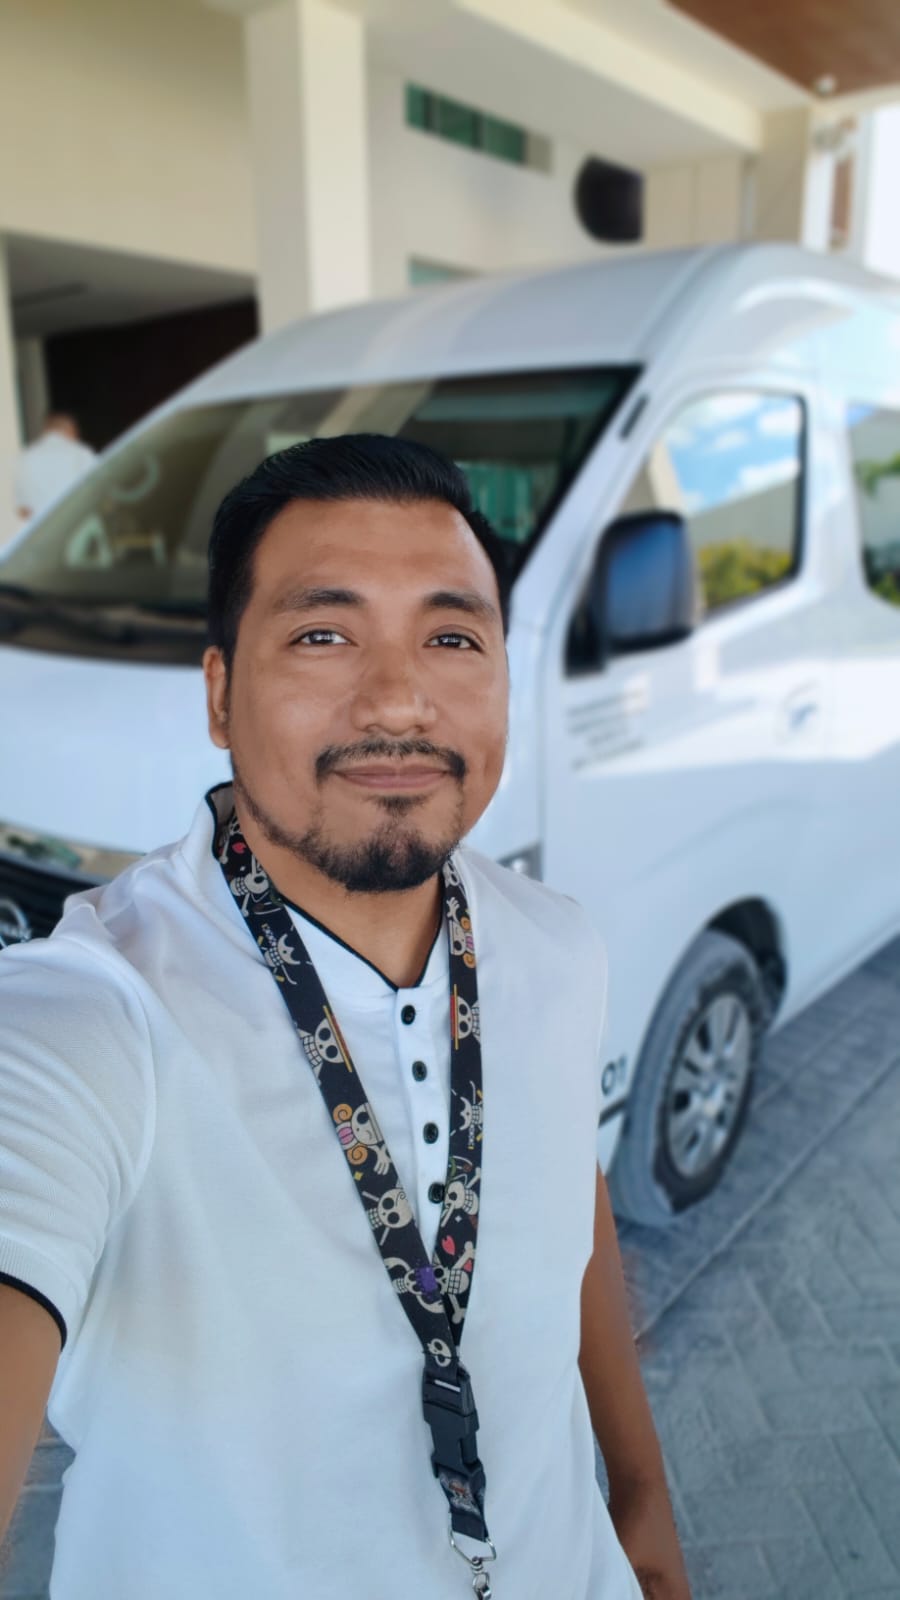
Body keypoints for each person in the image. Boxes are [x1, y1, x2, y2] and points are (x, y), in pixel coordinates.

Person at [0, 435, 691, 1600]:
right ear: (220, 693)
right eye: (324, 634)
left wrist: (643, 1505)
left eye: (452, 635)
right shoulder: (97, 1014)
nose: (399, 700)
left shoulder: (558, 944)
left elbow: (560, 1185)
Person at [14, 412, 96, 522]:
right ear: (70, 430)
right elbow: (98, 489)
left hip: (45, 532)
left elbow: (23, 510)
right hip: (77, 527)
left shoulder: (26, 458)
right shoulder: (81, 453)